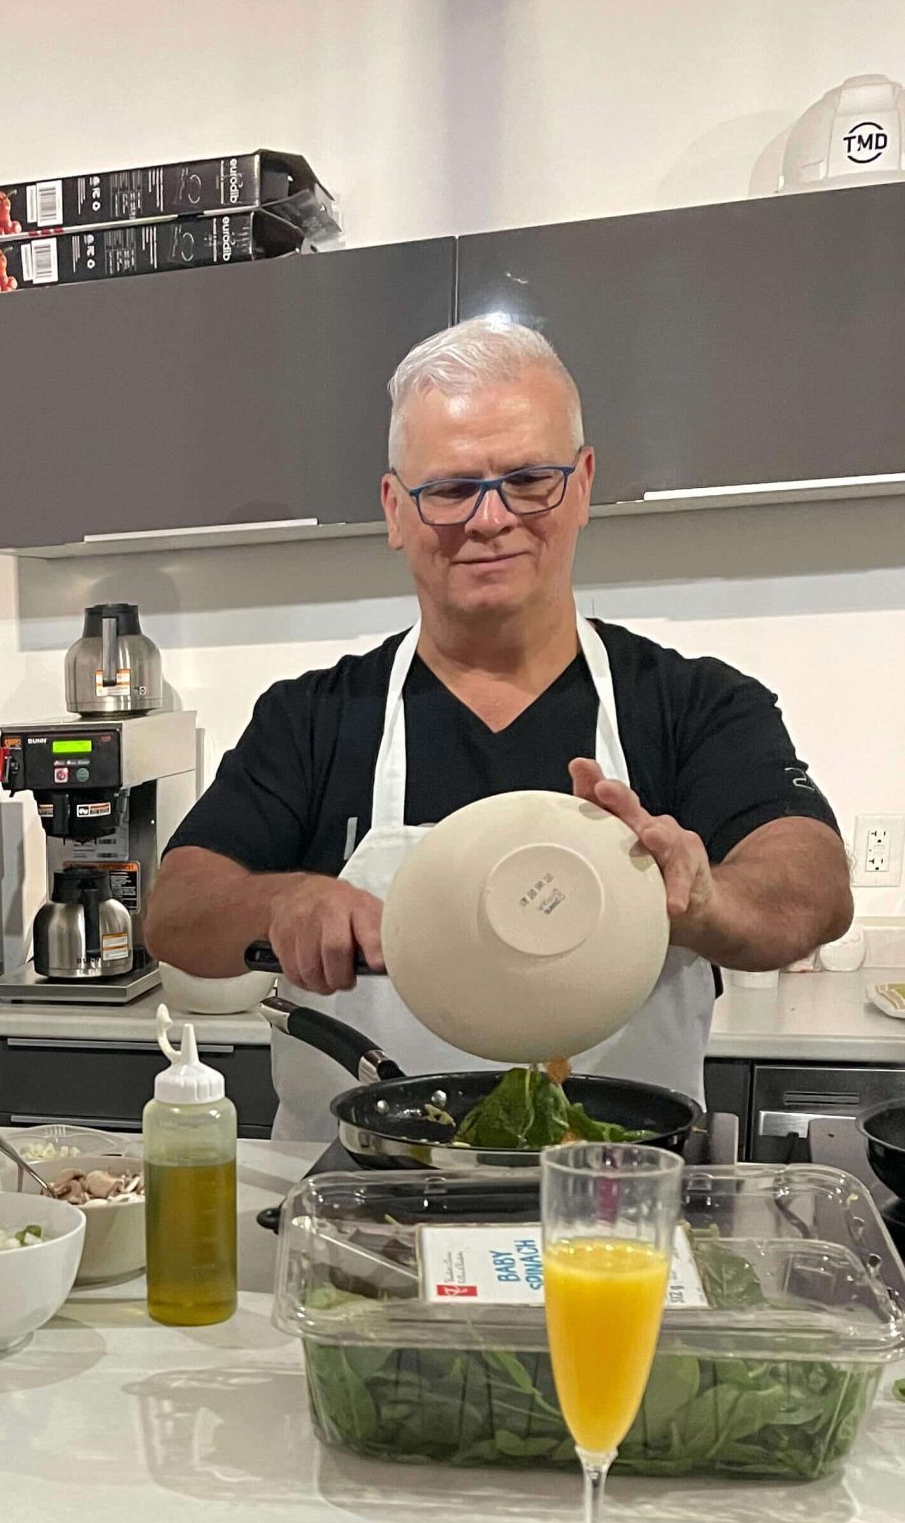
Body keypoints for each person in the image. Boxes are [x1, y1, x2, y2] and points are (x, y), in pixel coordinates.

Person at [145, 316, 852, 1140]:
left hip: (616, 1196)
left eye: (529, 479)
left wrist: (706, 901)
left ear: (583, 486)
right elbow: (177, 911)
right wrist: (283, 901)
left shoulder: (693, 704)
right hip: (359, 1195)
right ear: (395, 511)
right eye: (450, 489)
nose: (490, 519)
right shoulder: (314, 718)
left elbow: (814, 889)